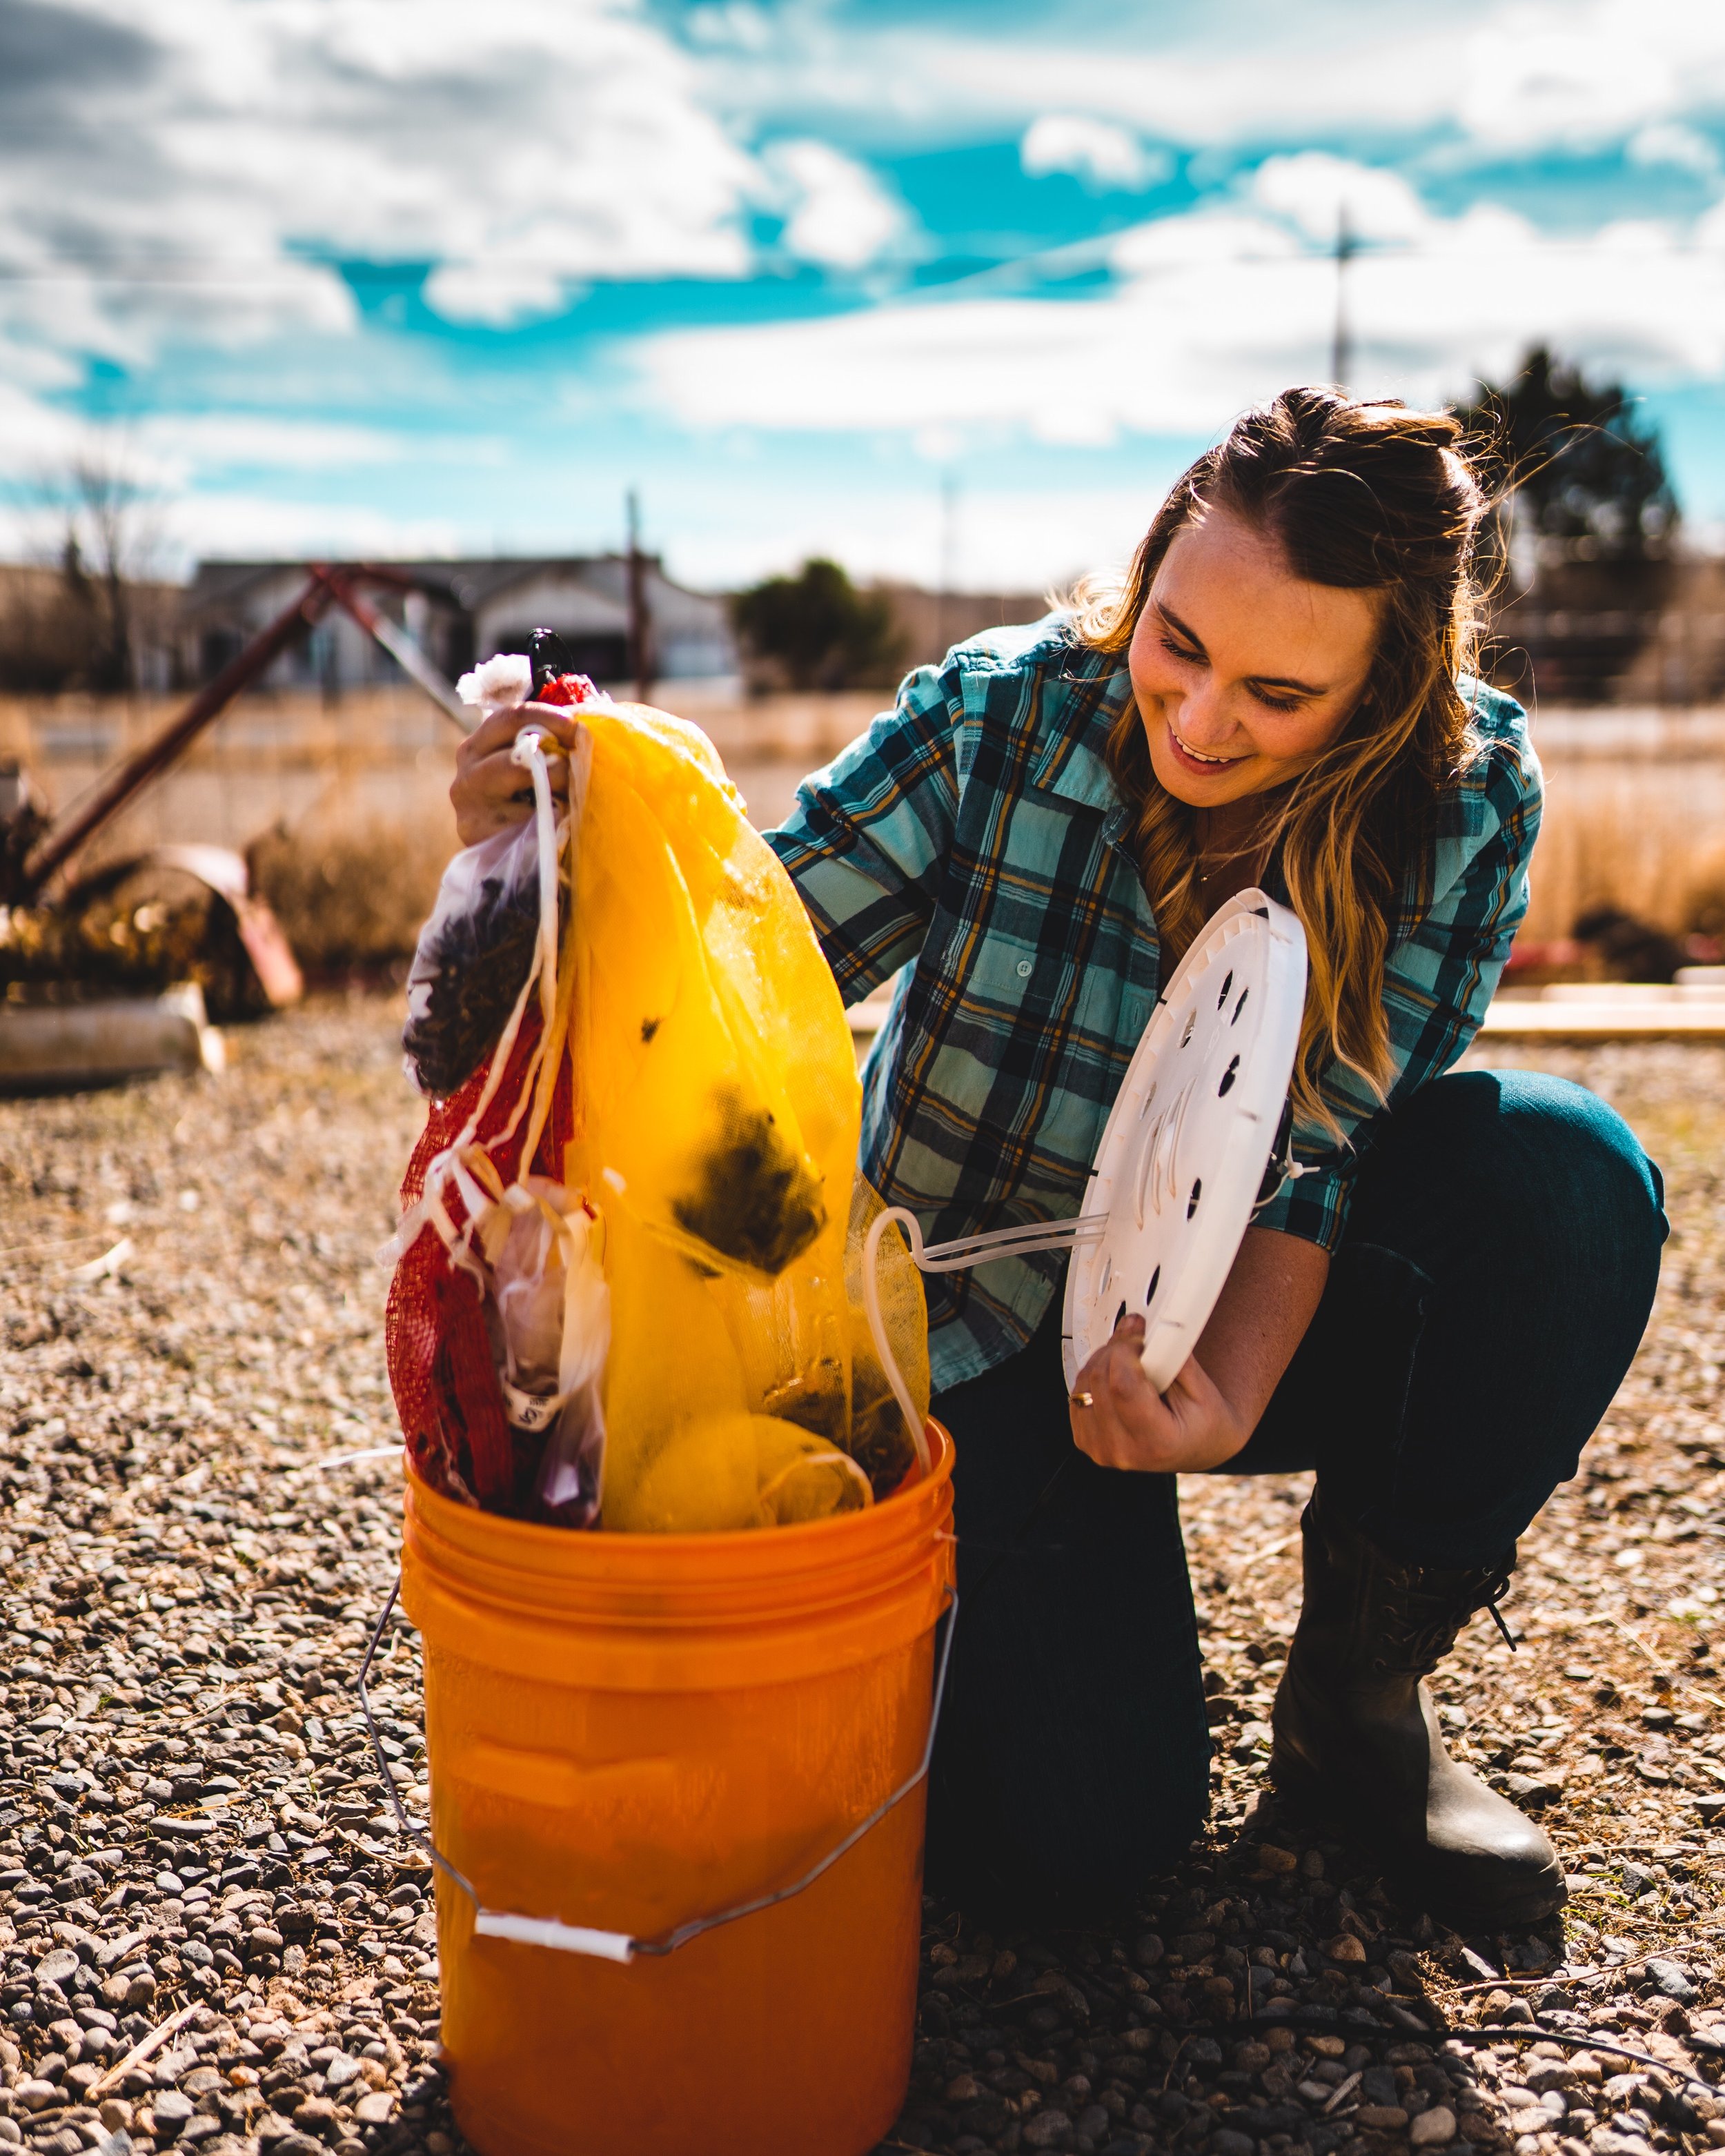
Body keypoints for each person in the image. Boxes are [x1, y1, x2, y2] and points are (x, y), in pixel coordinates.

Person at [449, 388, 1666, 1929]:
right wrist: (550, 858)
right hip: (978, 1339)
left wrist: (1218, 1391)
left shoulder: (1461, 795)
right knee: (1070, 1852)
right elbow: (749, 959)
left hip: (1237, 1293)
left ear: (1384, 691)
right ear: (1149, 568)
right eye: (1177, 641)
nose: (1201, 720)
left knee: (1558, 1178)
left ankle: (1354, 1713)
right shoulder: (996, 716)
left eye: (1278, 693)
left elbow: (1327, 1138)